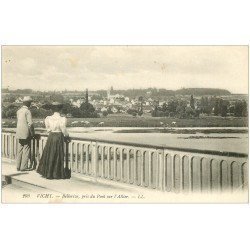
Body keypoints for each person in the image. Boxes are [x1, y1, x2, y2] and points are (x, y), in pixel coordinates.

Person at [37, 102, 71, 179]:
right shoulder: (62, 119)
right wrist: (67, 136)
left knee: (50, 154)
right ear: (60, 109)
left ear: (52, 110)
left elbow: (48, 129)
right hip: (59, 136)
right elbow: (63, 129)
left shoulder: (48, 118)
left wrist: (51, 131)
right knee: (58, 154)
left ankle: (48, 173)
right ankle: (56, 173)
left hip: (51, 136)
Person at [16, 96, 35, 171]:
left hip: (19, 132)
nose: (30, 104)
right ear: (28, 103)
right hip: (26, 133)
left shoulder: (19, 111)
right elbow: (30, 124)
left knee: (20, 149)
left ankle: (18, 166)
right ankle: (23, 167)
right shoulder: (27, 111)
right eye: (30, 103)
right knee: (26, 149)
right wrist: (32, 133)